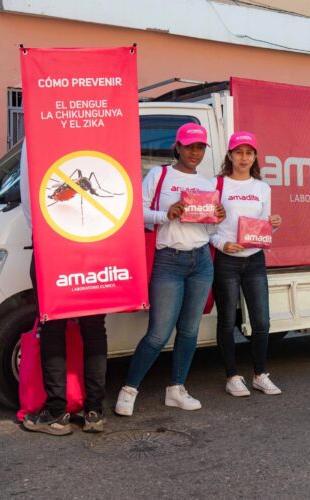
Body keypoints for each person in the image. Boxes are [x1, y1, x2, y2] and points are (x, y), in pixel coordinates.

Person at [115, 123, 226, 416]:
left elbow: (210, 227)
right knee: (158, 333)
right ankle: (129, 389)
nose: (195, 152)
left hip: (201, 261)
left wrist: (217, 218)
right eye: (189, 146)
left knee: (189, 331)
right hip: (169, 261)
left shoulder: (208, 184)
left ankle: (176, 389)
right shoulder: (159, 174)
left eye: (200, 147)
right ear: (177, 147)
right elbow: (135, 212)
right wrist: (166, 214)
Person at [18, 142, 109, 436]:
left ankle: (57, 412)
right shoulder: (99, 123)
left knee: (53, 325)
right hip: (95, 242)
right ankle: (94, 411)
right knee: (94, 328)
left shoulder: (39, 127)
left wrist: (40, 235)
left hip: (52, 243)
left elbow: (29, 196)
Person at [210, 131, 282, 397]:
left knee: (262, 321)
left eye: (249, 153)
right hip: (226, 261)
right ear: (229, 155)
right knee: (227, 321)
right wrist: (222, 244)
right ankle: (232, 376)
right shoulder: (216, 185)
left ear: (255, 157)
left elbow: (263, 231)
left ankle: (260, 374)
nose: (244, 158)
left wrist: (273, 225)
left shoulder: (262, 188)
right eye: (238, 152)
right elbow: (207, 226)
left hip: (254, 260)